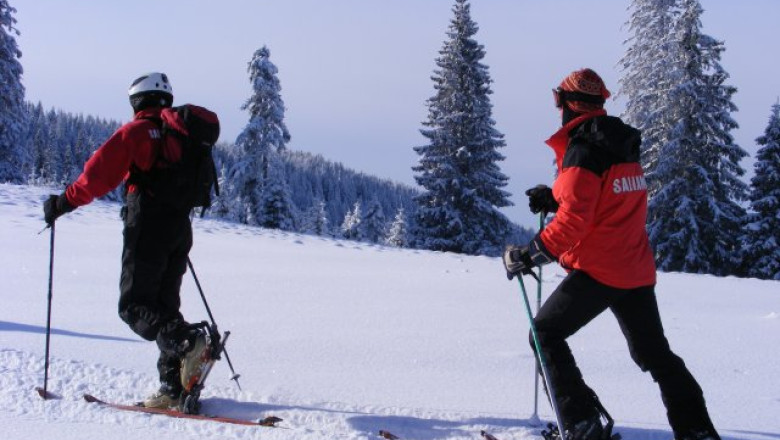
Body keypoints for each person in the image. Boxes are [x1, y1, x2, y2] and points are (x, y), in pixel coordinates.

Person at [502, 68, 720, 440]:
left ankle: (582, 425)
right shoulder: (619, 144)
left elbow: (575, 222)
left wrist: (530, 253)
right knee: (655, 355)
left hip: (599, 271)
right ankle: (696, 430)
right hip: (635, 269)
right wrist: (555, 196)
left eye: (557, 101)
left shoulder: (583, 150)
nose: (557, 110)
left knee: (544, 334)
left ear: (568, 104)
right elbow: (605, 200)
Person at [43, 72, 211, 409]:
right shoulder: (183, 137)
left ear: (137, 100)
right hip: (180, 228)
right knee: (163, 308)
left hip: (148, 225)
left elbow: (97, 175)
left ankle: (187, 341)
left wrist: (62, 203)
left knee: (134, 306)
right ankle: (173, 387)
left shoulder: (137, 132)